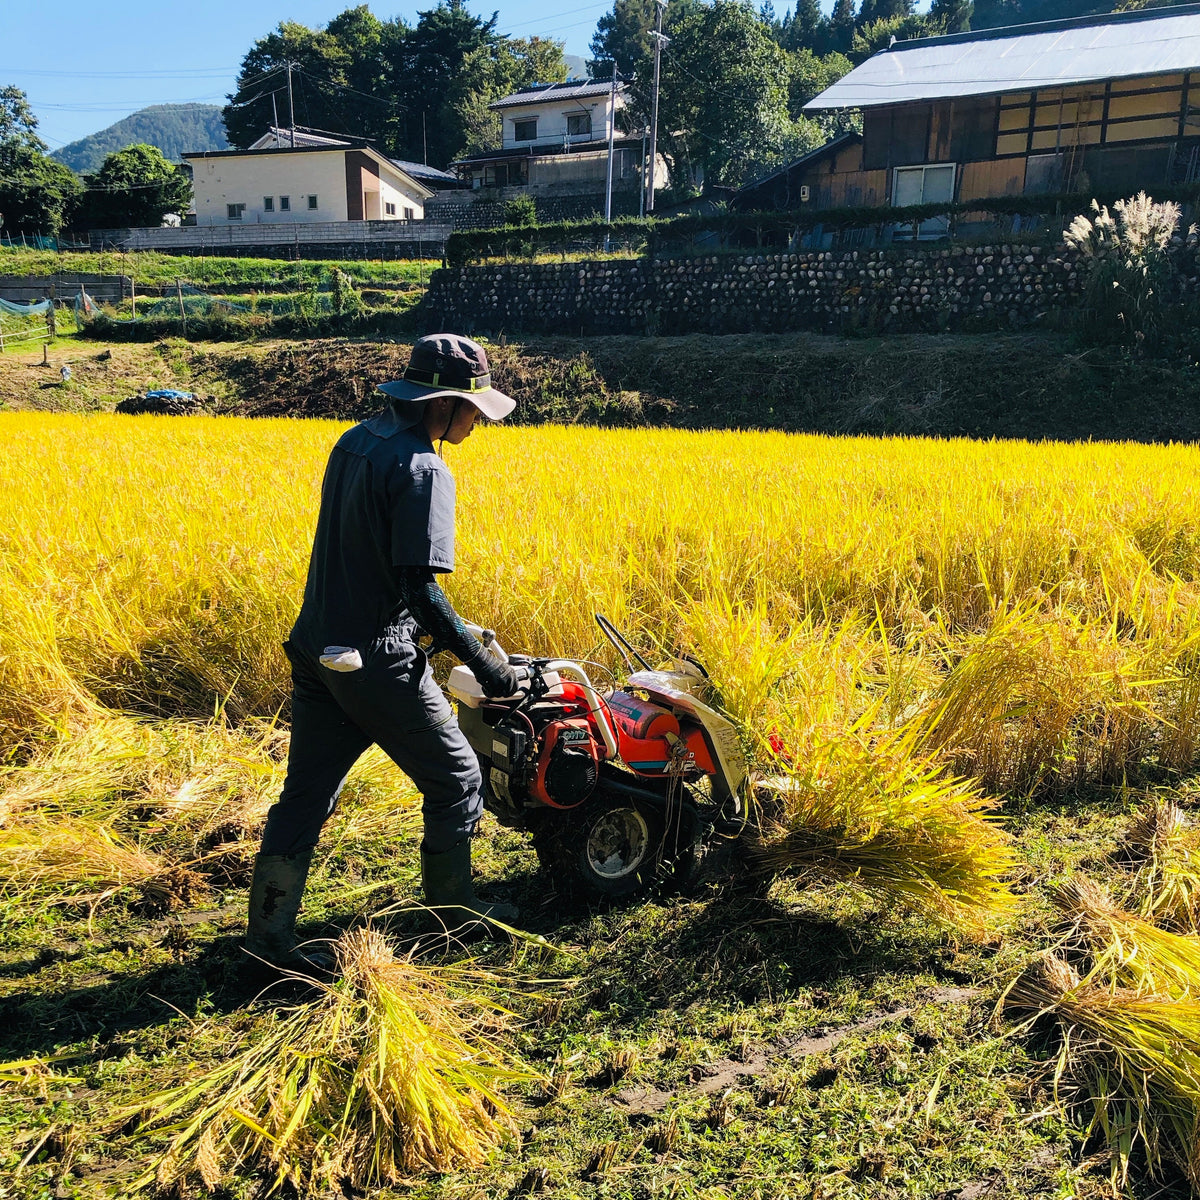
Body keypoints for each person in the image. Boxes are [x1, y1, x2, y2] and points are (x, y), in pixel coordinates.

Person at [245, 334, 521, 969]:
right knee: (457, 778)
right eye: (473, 407)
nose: (479, 419)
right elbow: (417, 588)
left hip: (319, 647)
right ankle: (452, 922)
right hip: (377, 659)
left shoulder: (354, 442)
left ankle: (267, 938)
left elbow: (363, 559)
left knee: (305, 793)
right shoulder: (426, 469)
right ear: (443, 403)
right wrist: (482, 665)